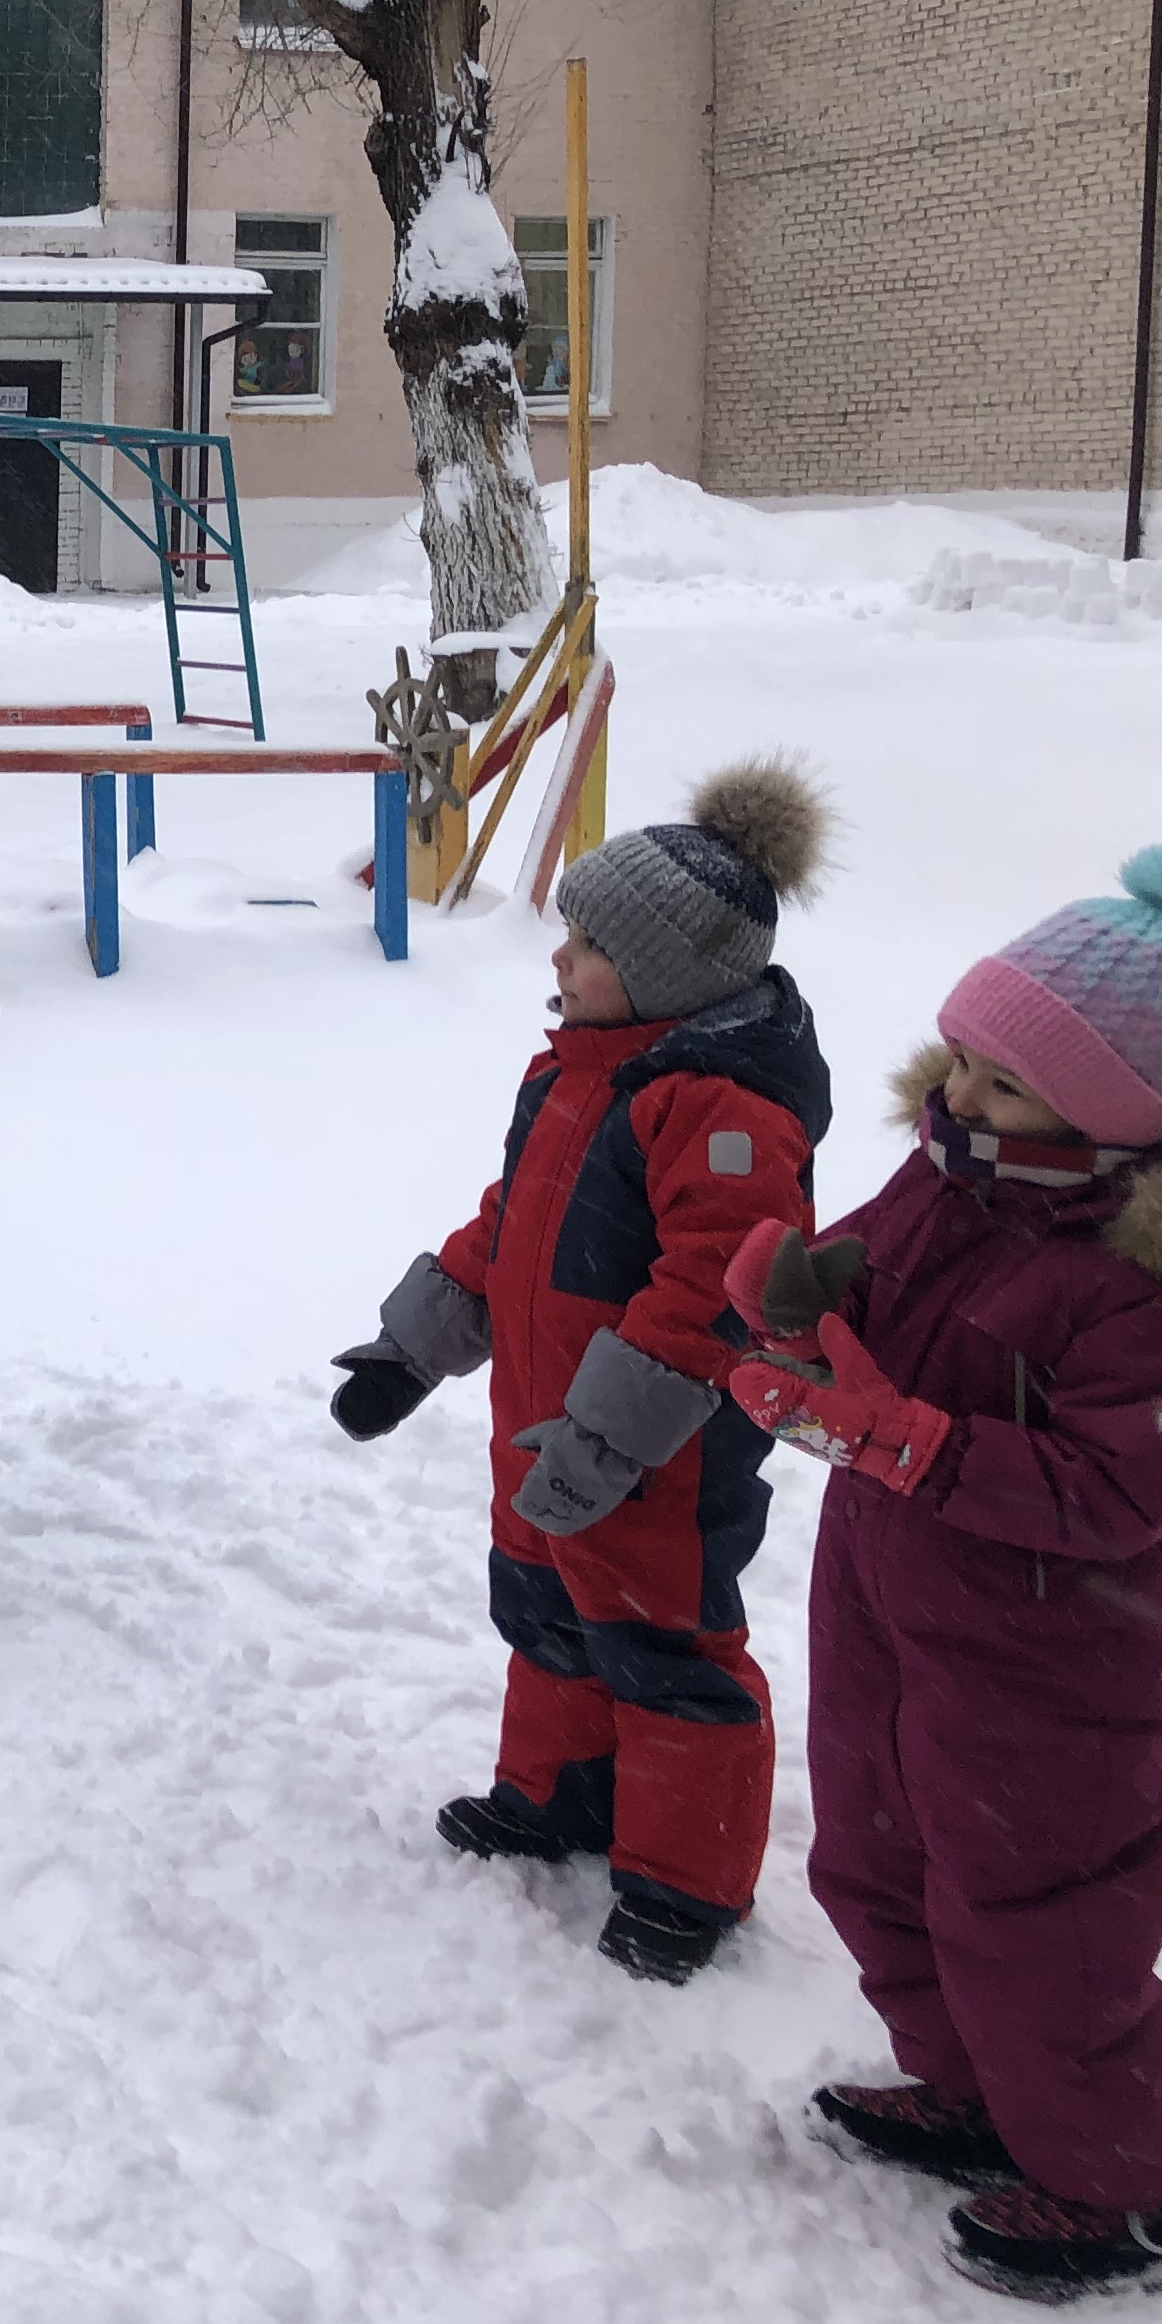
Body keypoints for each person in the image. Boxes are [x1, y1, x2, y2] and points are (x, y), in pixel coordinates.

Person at [736, 844, 1162, 2304]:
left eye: (1004, 1082)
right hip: (891, 1584)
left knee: (1039, 1904)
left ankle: (1117, 2197)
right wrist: (795, 1293)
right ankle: (972, 2091)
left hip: (1052, 1643)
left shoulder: (1157, 1282)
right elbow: (862, 1262)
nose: (957, 1095)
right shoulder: (958, 1170)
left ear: (1117, 1117)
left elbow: (1120, 1492)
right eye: (964, 1057)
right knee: (878, 1848)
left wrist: (903, 1440)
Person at [328, 765, 829, 1985]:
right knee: (548, 1614)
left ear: (666, 971)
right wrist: (415, 1347)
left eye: (589, 943)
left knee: (665, 1648)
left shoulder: (721, 1107)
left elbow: (712, 1292)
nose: (559, 958)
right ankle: (557, 1797)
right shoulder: (575, 1068)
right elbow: (514, 1227)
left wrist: (610, 1441)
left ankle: (684, 1881)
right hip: (544, 1427)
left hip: (662, 1448)